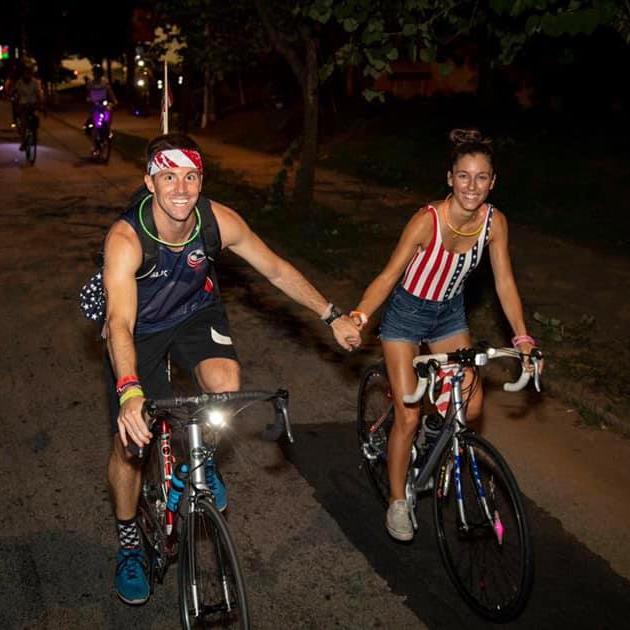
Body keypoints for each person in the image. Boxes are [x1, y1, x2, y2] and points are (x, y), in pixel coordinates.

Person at [103, 133, 361, 605]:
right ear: (149, 182)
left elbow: (277, 270)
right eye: (168, 177)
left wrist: (331, 314)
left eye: (190, 176)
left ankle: (197, 462)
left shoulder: (217, 221)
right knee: (131, 444)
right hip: (138, 329)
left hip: (196, 316)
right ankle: (127, 546)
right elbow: (118, 321)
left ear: (201, 180)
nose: (180, 188)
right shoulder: (127, 238)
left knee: (224, 387)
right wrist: (129, 392)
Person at [350, 128, 541, 542]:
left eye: (482, 177)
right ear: (449, 178)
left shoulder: (495, 223)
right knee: (408, 414)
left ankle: (437, 437)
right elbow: (388, 276)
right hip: (406, 316)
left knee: (469, 408)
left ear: (494, 181)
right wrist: (361, 316)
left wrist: (523, 337)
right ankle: (398, 500)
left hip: (449, 315)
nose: (472, 186)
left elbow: (505, 282)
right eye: (464, 176)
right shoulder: (427, 220)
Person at [10, 65, 44, 150]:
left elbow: (39, 93)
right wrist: (12, 95)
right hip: (23, 105)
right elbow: (14, 91)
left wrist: (41, 104)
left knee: (36, 119)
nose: (27, 76)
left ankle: (34, 134)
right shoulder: (19, 82)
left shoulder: (35, 82)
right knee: (23, 123)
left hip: (33, 104)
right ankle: (23, 142)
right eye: (26, 74)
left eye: (29, 74)